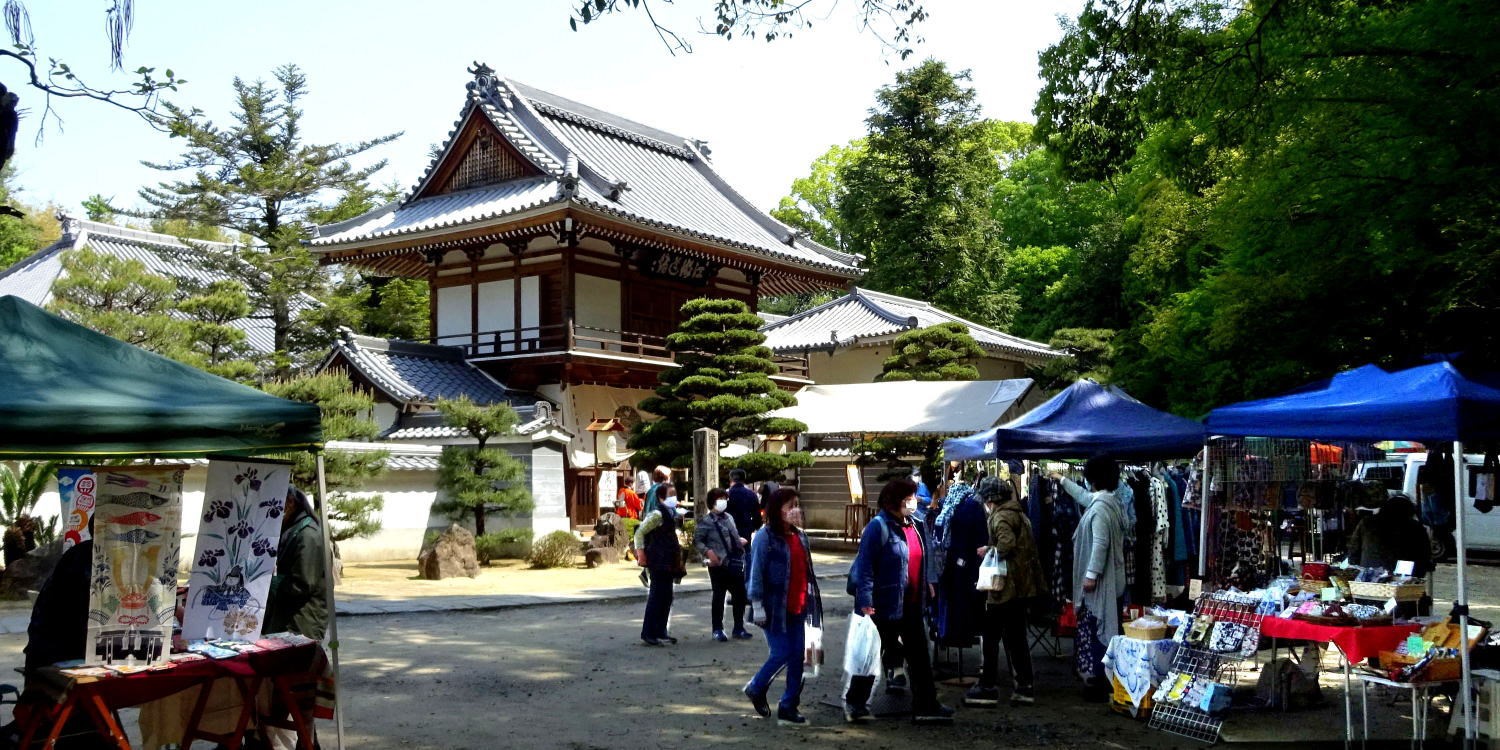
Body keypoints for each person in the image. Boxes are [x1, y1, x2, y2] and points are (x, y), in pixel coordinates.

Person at [845, 478, 955, 725]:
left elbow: (922, 556)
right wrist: (865, 603)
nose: (913, 501)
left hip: (912, 603)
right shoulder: (878, 527)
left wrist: (929, 582)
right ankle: (855, 703)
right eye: (908, 497)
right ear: (893, 501)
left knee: (919, 656)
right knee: (871, 653)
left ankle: (927, 706)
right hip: (882, 603)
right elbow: (864, 570)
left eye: (913, 497)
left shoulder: (915, 525)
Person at [744, 487, 823, 727]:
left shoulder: (801, 536)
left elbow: (806, 573)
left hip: (800, 606)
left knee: (800, 656)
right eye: (790, 506)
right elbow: (755, 572)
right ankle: (756, 687)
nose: (795, 510)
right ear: (777, 510)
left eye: (797, 504)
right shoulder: (765, 537)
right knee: (782, 653)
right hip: (774, 607)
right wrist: (757, 604)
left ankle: (789, 705)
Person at [966, 479, 1045, 707]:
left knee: (991, 636)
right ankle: (1024, 686)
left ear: (990, 500)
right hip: (1022, 586)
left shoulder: (1001, 517)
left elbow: (1006, 545)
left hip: (1004, 587)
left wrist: (989, 550)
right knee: (1017, 638)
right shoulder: (1019, 514)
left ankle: (987, 686)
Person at [1056, 455, 1128, 701]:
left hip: (1101, 584)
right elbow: (1085, 497)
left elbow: (1100, 544)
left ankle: (1097, 680)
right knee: (1105, 627)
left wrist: (1090, 576)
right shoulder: (1110, 503)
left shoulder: (1099, 510)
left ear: (1092, 478)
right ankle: (1101, 678)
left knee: (1098, 629)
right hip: (1113, 580)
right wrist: (1062, 480)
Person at [264, 486, 329, 640]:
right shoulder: (291, 529)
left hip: (301, 622)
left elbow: (302, 584)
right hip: (286, 618)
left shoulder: (308, 535)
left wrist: (267, 582)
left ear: (290, 503)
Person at [694, 488, 752, 642]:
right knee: (719, 596)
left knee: (740, 595)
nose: (724, 501)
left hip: (734, 561)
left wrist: (739, 541)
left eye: (725, 498)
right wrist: (708, 552)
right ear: (712, 502)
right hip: (718, 564)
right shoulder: (706, 521)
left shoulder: (729, 517)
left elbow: (731, 535)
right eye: (720, 498)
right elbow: (698, 540)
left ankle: (739, 627)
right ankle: (717, 629)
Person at [634, 481, 683, 646]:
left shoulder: (670, 512)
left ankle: (661, 630)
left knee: (667, 596)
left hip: (668, 559)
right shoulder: (657, 514)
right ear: (661, 497)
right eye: (670, 495)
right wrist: (641, 554)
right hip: (657, 559)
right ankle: (648, 632)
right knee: (656, 596)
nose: (674, 497)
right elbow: (640, 532)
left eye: (674, 494)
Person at [1346, 494, 1433, 576]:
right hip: (1404, 576)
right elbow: (1424, 555)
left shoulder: (1366, 523)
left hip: (1369, 574)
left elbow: (1353, 551)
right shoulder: (1416, 527)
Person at [726, 469, 762, 537]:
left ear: (730, 479)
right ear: (744, 479)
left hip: (728, 531)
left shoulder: (726, 494)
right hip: (745, 530)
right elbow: (757, 516)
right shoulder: (752, 494)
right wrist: (753, 527)